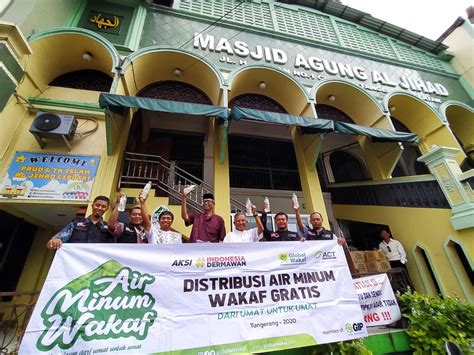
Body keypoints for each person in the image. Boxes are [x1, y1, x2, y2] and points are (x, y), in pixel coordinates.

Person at [295, 206, 356, 273]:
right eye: (313, 220)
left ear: (322, 220)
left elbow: (340, 248)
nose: (316, 221)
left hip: (328, 266)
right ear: (310, 222)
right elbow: (300, 224)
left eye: (318, 219)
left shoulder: (330, 234)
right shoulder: (308, 232)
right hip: (312, 266)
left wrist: (342, 243)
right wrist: (296, 210)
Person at [46, 195, 114, 249]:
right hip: (75, 264)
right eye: (97, 205)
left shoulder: (109, 228)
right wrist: (54, 241)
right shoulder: (75, 224)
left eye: (103, 206)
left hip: (97, 265)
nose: (99, 208)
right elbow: (52, 243)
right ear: (92, 205)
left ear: (107, 209)